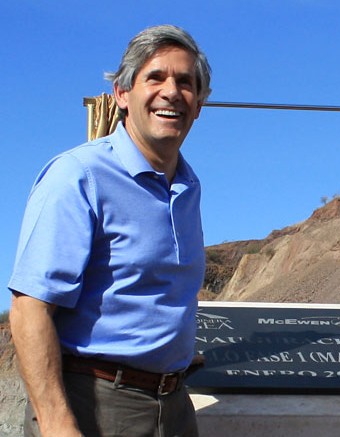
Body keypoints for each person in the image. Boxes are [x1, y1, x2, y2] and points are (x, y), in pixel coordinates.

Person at [9, 24, 211, 436]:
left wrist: (172, 351)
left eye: (185, 82)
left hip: (174, 408)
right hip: (96, 404)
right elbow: (30, 308)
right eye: (155, 77)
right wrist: (56, 423)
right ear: (122, 93)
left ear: (199, 104)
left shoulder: (189, 187)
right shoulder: (78, 176)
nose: (171, 91)